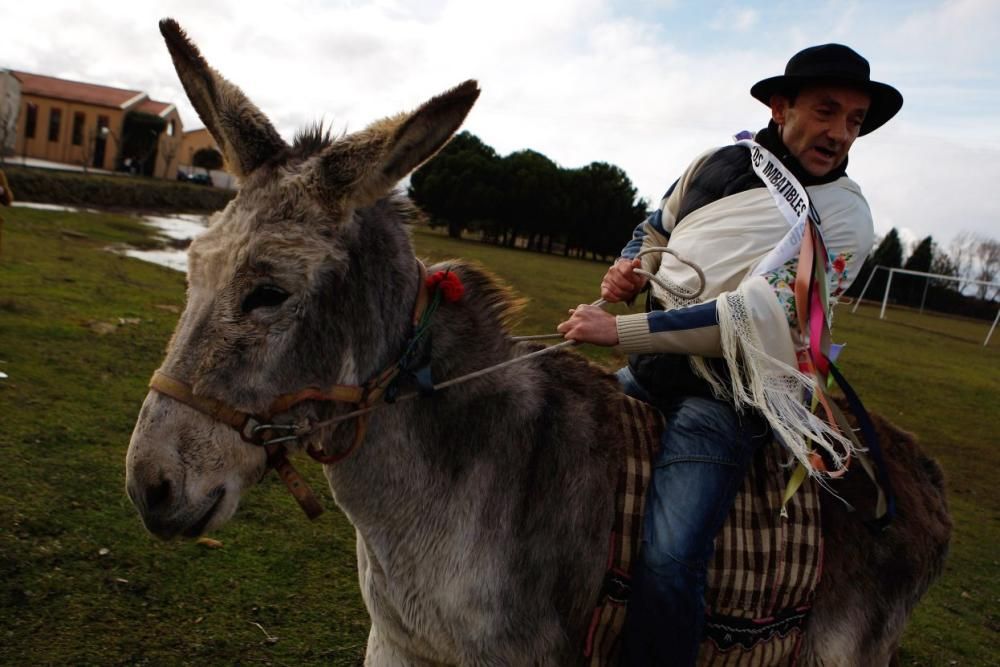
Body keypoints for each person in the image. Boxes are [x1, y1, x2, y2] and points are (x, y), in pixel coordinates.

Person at [557, 44, 902, 665]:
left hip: (729, 398)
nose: (841, 133)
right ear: (780, 105)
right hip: (651, 371)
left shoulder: (846, 218)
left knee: (671, 554)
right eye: (828, 111)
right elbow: (654, 224)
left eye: (854, 121)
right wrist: (627, 267)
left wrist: (624, 331)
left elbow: (757, 318)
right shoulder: (718, 162)